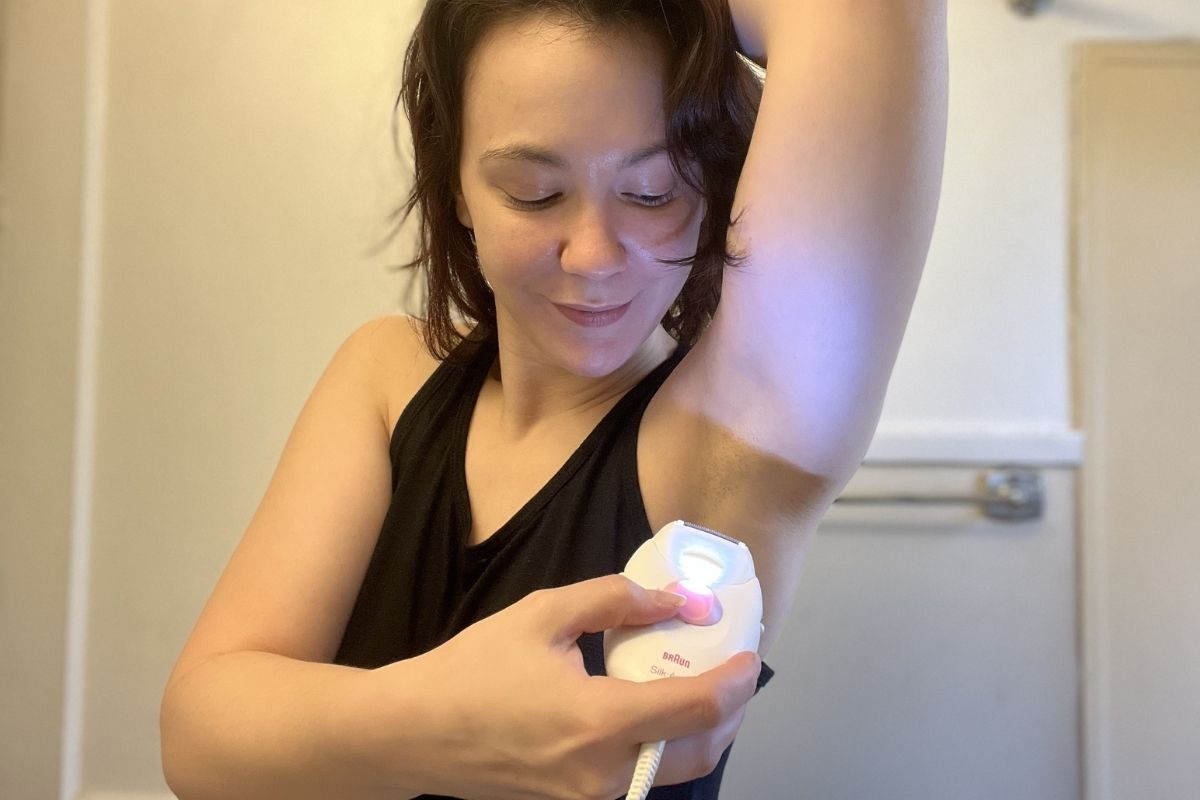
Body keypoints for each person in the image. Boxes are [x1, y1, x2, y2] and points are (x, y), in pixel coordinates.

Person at [159, 0, 948, 798]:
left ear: (711, 190)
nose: (595, 257)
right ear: (458, 190)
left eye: (653, 193)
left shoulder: (727, 445)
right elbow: (199, 738)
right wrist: (447, 724)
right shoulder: (386, 376)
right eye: (534, 194)